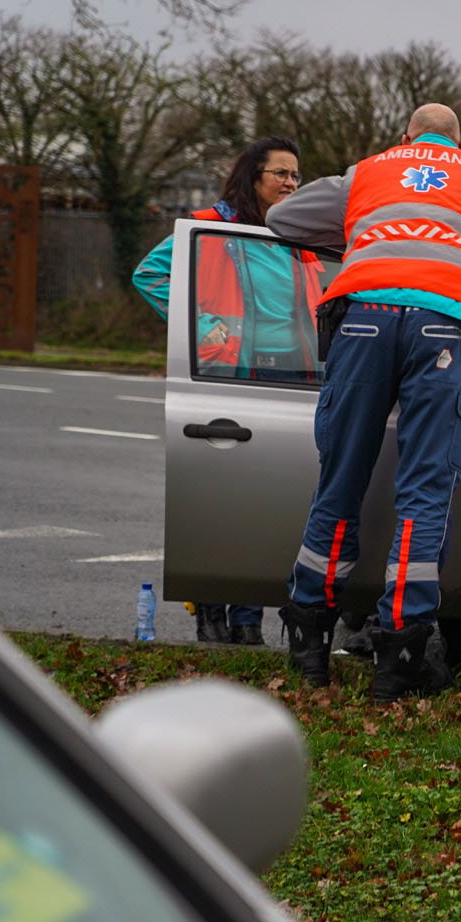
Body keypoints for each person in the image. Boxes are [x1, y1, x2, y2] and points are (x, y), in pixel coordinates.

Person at [267, 103, 461, 703]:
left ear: (404, 138)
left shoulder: (368, 172)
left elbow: (282, 218)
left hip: (362, 321)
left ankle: (309, 644)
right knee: (424, 495)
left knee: (339, 482)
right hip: (444, 328)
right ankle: (398, 660)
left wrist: (363, 235)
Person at [131, 136, 318, 647]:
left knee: (268, 503)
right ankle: (212, 607)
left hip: (291, 376)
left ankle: (248, 616)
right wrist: (201, 325)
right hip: (229, 373)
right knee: (224, 500)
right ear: (253, 177)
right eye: (280, 173)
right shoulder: (212, 226)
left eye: (295, 175)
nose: (290, 183)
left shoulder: (299, 235)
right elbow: (149, 275)